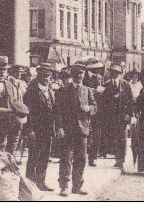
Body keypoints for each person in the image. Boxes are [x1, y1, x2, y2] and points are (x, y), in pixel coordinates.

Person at [56, 65, 96, 196]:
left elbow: (95, 106)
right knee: (66, 158)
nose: (79, 76)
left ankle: (77, 186)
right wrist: (60, 127)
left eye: (82, 74)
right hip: (68, 130)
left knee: (81, 158)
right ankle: (64, 186)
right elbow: (59, 112)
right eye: (77, 74)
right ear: (72, 75)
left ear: (84, 75)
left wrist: (89, 108)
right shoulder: (63, 90)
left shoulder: (87, 90)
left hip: (82, 129)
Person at [24, 62, 60, 190]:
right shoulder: (31, 92)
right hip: (36, 130)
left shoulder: (50, 91)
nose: (46, 79)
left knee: (45, 156)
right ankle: (30, 184)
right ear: (38, 76)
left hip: (48, 130)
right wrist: (30, 130)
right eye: (44, 76)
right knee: (33, 157)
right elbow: (28, 113)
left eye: (48, 76)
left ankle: (41, 182)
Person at [0, 55, 24, 153]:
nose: (2, 73)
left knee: (6, 157)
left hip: (7, 127)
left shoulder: (12, 86)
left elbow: (16, 105)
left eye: (4, 70)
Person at [98, 64, 133, 172]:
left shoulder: (125, 85)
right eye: (111, 72)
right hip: (111, 117)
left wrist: (129, 114)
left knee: (122, 138)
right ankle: (117, 159)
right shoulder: (106, 85)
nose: (113, 74)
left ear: (119, 74)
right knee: (113, 139)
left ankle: (120, 160)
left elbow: (131, 101)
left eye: (115, 72)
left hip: (122, 117)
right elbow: (102, 102)